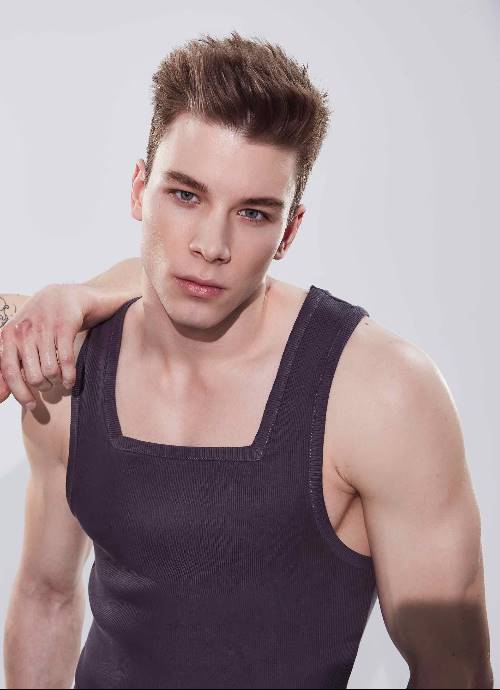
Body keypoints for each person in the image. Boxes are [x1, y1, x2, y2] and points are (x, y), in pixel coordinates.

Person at [0, 31, 493, 690]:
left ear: (290, 230)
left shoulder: (381, 393)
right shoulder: (64, 369)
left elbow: (454, 670)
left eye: (254, 213)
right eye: (185, 195)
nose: (212, 244)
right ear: (139, 189)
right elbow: (47, 596)